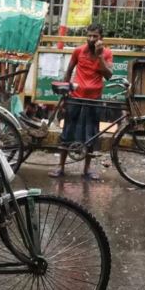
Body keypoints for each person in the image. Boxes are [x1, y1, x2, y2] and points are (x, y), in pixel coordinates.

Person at [50, 23, 113, 180]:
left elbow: (108, 75)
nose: (91, 39)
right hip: (76, 97)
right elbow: (69, 71)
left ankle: (87, 169)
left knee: (91, 134)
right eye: (89, 36)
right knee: (67, 132)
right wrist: (65, 94)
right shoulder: (78, 51)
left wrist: (99, 56)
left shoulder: (106, 53)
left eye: (95, 36)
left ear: (101, 38)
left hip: (94, 99)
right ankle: (61, 166)